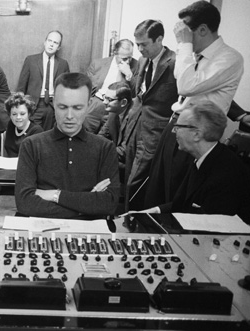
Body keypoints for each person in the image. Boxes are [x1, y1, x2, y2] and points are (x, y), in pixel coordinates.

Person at [143, 1, 245, 209]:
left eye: (187, 32)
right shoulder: (194, 57)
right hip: (176, 126)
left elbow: (186, 86)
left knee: (177, 196)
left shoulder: (229, 58)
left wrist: (184, 45)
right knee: (156, 191)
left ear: (203, 29)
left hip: (197, 133)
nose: (183, 38)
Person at [15, 72, 119, 219]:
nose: (69, 116)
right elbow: (25, 203)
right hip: (40, 234)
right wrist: (86, 206)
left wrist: (55, 195)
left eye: (77, 108)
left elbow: (109, 204)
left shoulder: (105, 148)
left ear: (89, 105)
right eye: (63, 107)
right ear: (53, 104)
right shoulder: (31, 145)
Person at [128, 102, 250, 223]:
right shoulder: (203, 158)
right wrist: (152, 211)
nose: (174, 131)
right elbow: (182, 203)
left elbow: (209, 226)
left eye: (178, 127)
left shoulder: (226, 174)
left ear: (197, 134)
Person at [125, 20, 178, 210]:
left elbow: (197, 90)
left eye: (144, 44)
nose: (139, 49)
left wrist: (239, 116)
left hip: (156, 132)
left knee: (136, 183)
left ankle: (132, 221)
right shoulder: (142, 60)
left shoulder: (176, 62)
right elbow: (142, 94)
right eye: (137, 43)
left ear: (159, 39)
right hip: (134, 128)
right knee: (127, 179)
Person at [17, 31, 70, 131]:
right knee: (32, 135)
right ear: (45, 42)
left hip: (52, 105)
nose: (51, 44)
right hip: (34, 104)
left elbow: (66, 89)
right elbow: (21, 86)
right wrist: (21, 107)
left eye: (55, 42)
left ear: (58, 47)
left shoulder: (63, 64)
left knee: (49, 136)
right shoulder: (30, 60)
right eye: (49, 40)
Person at [84, 39, 139, 134]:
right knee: (86, 135)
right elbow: (85, 88)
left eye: (130, 57)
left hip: (117, 110)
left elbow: (135, 94)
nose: (128, 61)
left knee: (106, 140)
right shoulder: (98, 64)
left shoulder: (137, 66)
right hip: (97, 104)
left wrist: (129, 75)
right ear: (115, 53)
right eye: (124, 58)